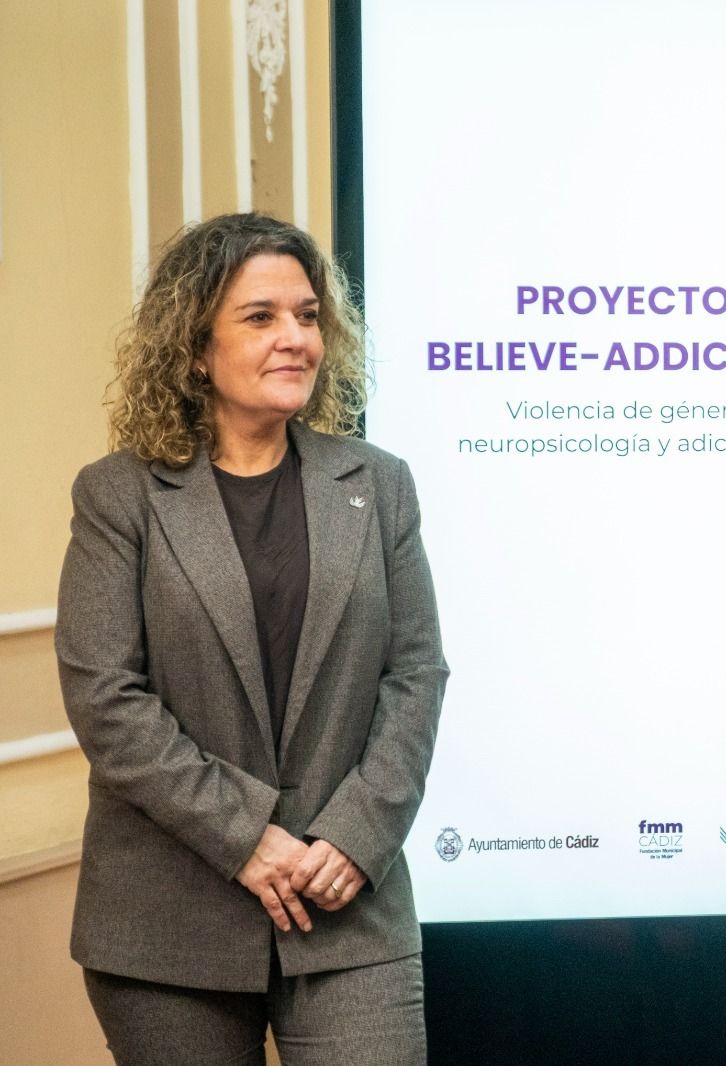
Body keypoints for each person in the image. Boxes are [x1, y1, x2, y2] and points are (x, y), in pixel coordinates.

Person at [55, 213, 448, 1065]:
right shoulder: (120, 496)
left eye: (307, 316)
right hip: (167, 925)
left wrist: (356, 835)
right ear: (196, 348)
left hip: (346, 901)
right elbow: (106, 698)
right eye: (261, 317)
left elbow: (416, 673)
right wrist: (246, 837)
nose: (295, 338)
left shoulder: (379, 484)